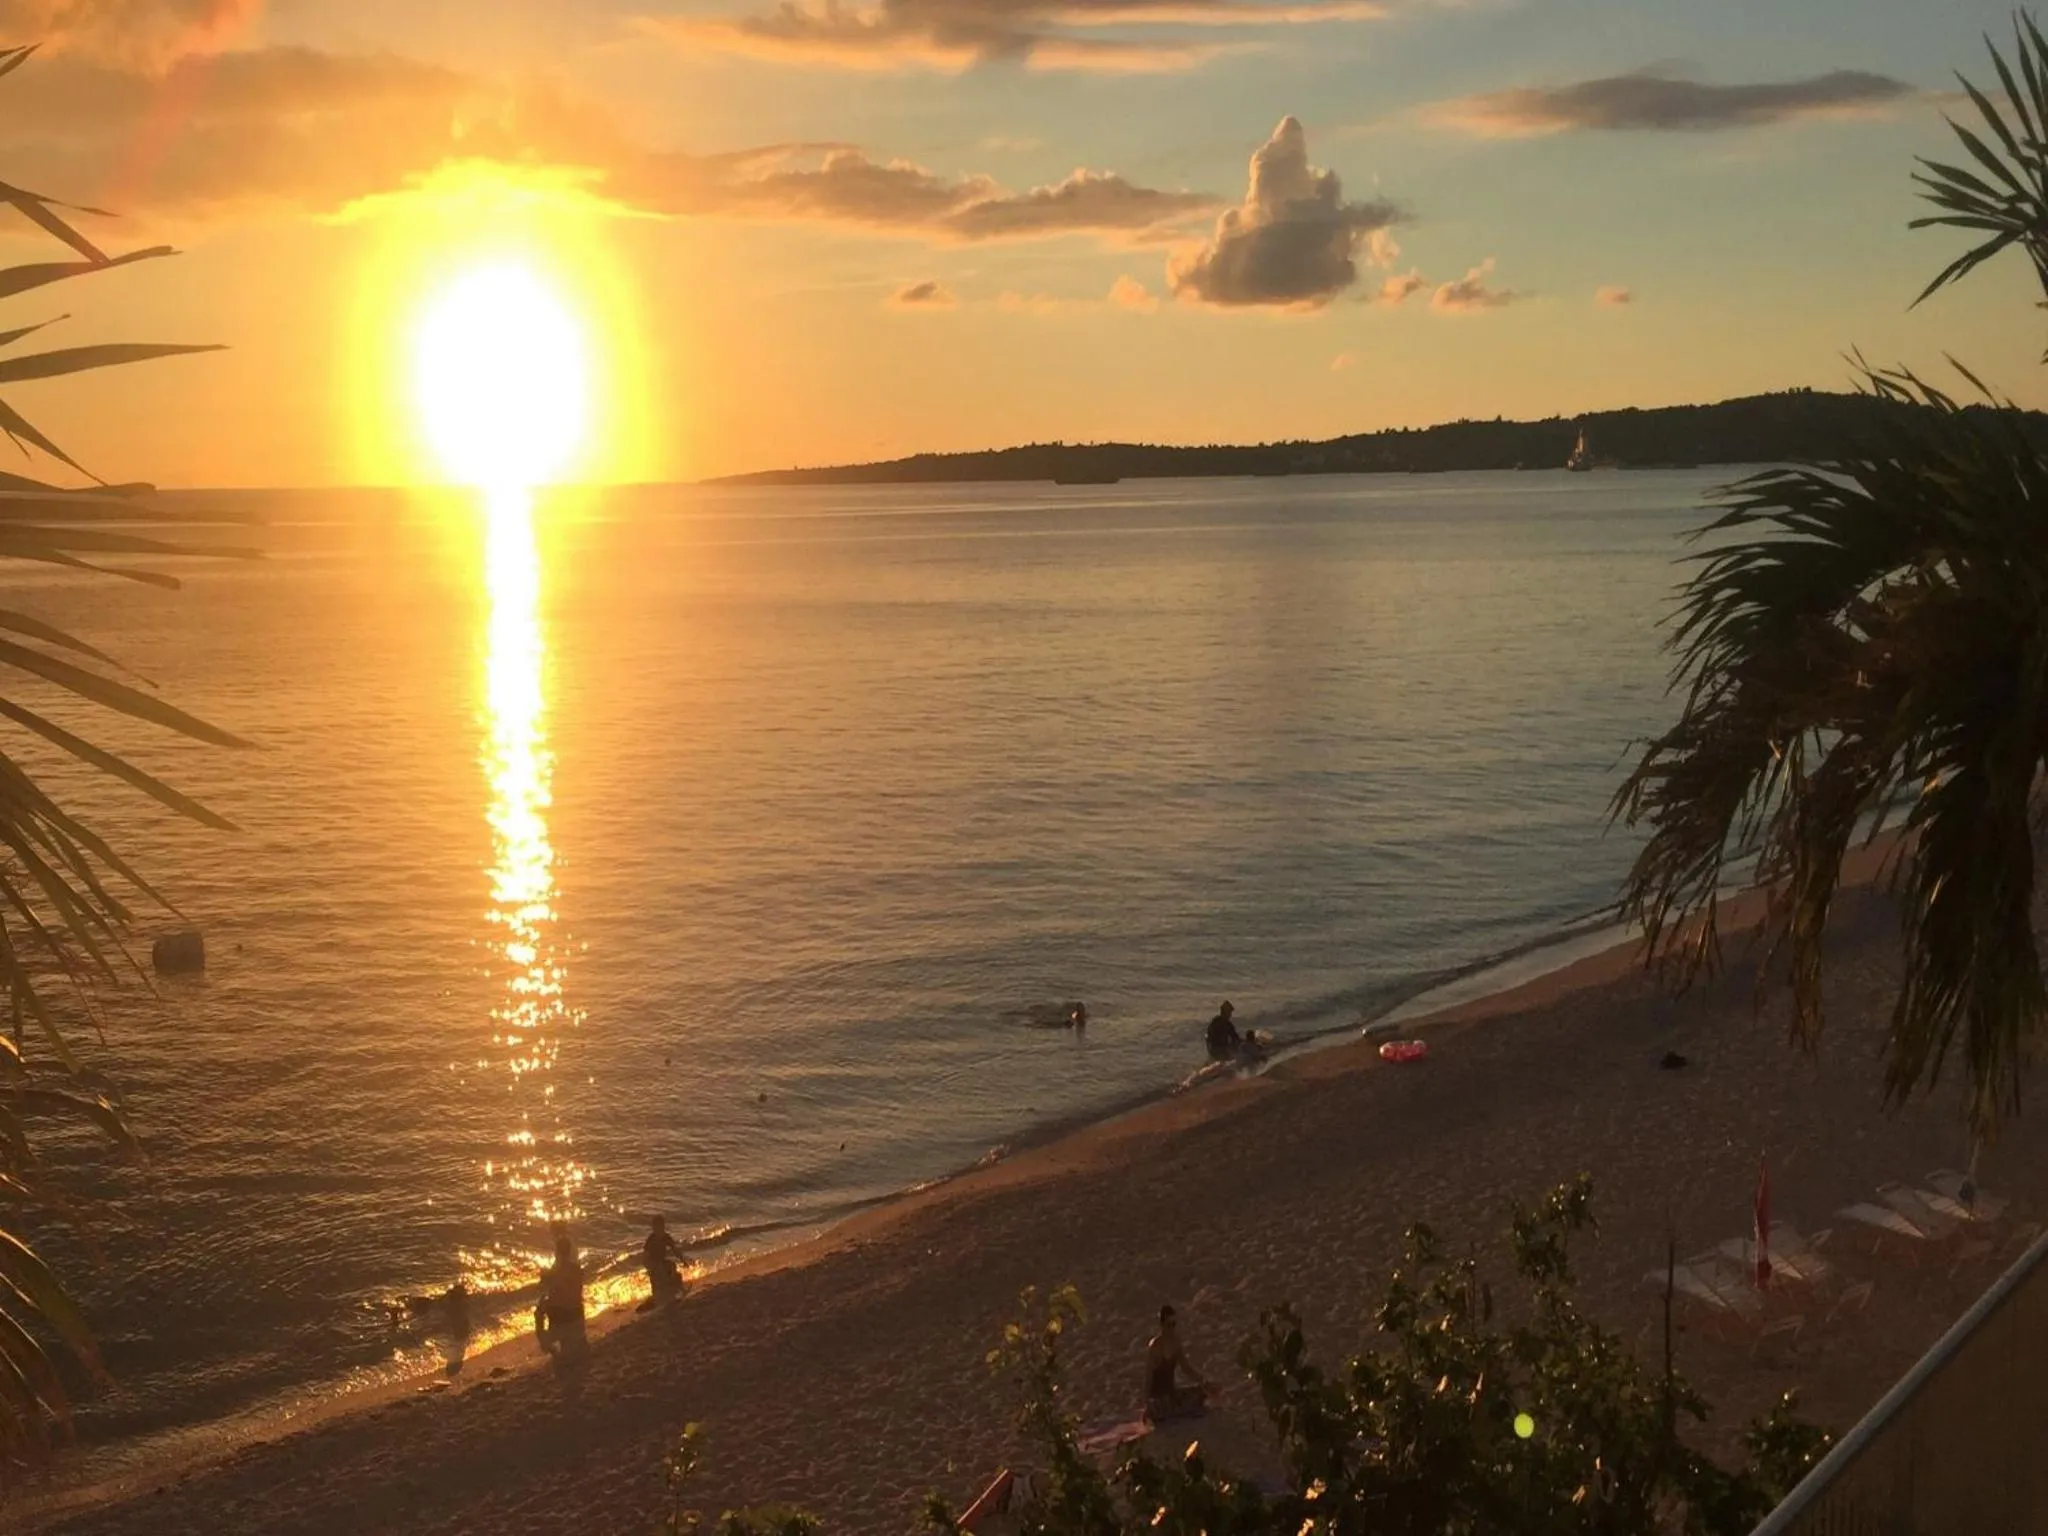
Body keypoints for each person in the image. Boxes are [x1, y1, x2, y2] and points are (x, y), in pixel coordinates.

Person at [1145, 1304, 1208, 1422]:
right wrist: (1146, 1402)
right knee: (1160, 1408)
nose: (1172, 1329)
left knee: (1200, 1392)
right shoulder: (1155, 1346)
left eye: (1174, 1324)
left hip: (1171, 1392)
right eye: (1169, 1325)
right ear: (1162, 1325)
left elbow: (1186, 1368)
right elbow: (1149, 1377)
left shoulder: (1176, 1342)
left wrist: (1203, 1381)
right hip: (1158, 1396)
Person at [535, 1224, 587, 1362]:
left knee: (539, 1310)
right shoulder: (578, 1270)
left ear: (556, 1253)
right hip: (578, 1322)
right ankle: (574, 1339)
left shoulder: (553, 1274)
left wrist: (545, 1277)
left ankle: (549, 1346)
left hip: (561, 1323)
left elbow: (548, 1289)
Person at [639, 1215, 685, 1311]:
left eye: (660, 1227)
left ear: (663, 1227)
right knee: (656, 1277)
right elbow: (645, 1255)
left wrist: (683, 1261)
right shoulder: (651, 1239)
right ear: (653, 1228)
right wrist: (648, 1267)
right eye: (656, 1228)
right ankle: (655, 1297)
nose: (658, 1231)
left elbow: (675, 1250)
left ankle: (678, 1289)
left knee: (672, 1267)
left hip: (662, 1261)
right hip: (652, 1262)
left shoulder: (666, 1237)